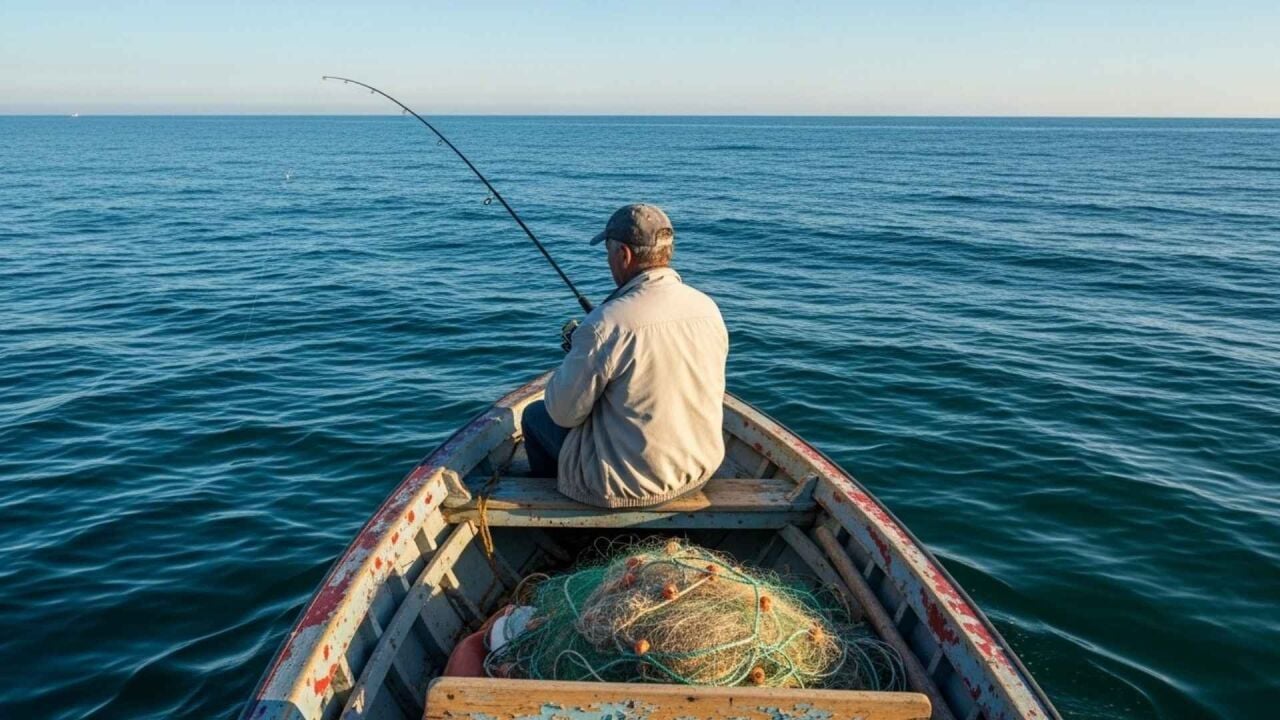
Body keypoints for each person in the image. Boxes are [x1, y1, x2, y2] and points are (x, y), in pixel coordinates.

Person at [520, 203, 729, 508]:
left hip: (626, 487)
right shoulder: (707, 308)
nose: (608, 261)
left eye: (608, 252)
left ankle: (557, 519)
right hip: (698, 471)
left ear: (624, 255)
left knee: (535, 416)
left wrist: (578, 353)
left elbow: (563, 414)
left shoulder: (606, 325)